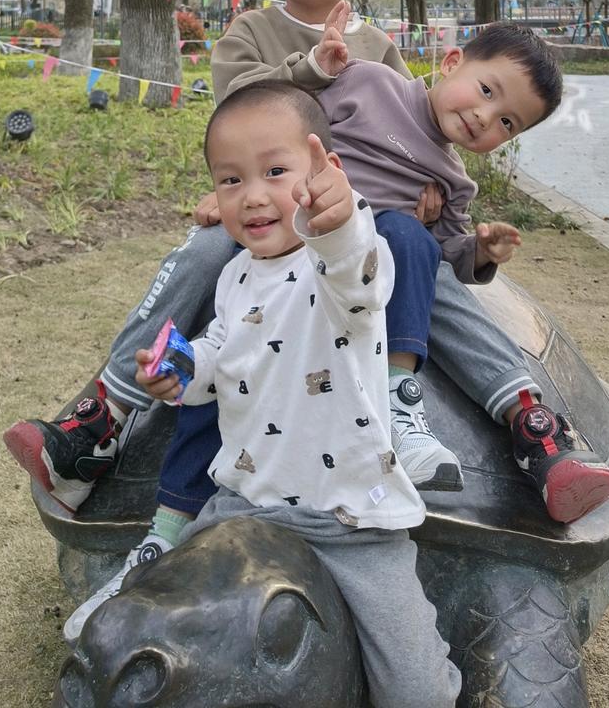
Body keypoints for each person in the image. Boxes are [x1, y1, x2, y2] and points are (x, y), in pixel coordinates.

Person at [4, 0, 609, 622]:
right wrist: (308, 78)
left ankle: (533, 425)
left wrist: (459, 236)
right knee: (205, 262)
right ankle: (100, 418)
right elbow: (241, 116)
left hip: (361, 244)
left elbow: (420, 153)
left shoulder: (381, 55)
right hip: (273, 215)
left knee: (425, 264)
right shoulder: (261, 37)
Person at [137, 82, 461, 707]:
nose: (253, 196)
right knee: (183, 634)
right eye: (229, 180)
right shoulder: (233, 276)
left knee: (416, 691)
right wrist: (180, 369)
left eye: (276, 171)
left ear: (323, 171)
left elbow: (359, 274)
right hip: (242, 504)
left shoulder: (341, 261)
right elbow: (220, 358)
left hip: (350, 518)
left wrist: (337, 224)